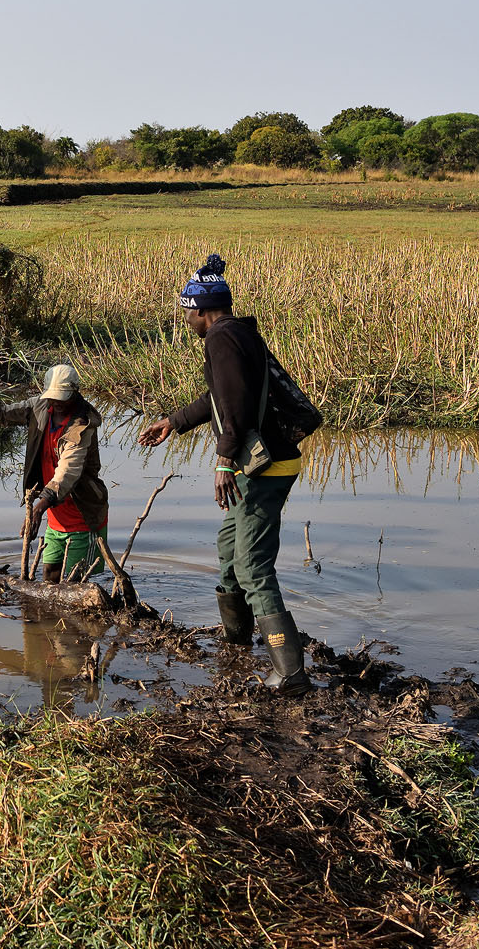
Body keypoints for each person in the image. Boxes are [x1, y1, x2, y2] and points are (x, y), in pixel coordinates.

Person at [137, 254, 312, 695]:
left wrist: (223, 462)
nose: (187, 322)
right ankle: (238, 644)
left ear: (201, 309)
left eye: (188, 313)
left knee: (252, 565)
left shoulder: (220, 339)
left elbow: (231, 410)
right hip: (268, 460)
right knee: (229, 545)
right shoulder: (236, 334)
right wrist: (172, 421)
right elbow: (220, 396)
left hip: (265, 466)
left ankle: (290, 674)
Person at [0, 364, 109, 582]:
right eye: (53, 397)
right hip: (55, 515)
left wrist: (38, 509)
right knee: (49, 577)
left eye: (62, 398)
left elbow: (68, 471)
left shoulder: (82, 425)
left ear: (75, 394)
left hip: (82, 517)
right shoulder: (40, 408)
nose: (56, 403)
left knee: (75, 585)